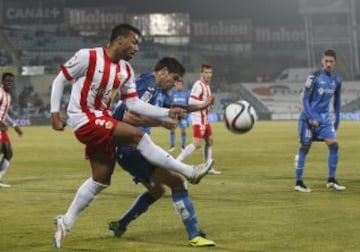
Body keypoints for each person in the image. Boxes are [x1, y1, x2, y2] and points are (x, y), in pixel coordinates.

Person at [50, 24, 214, 249]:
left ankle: (65, 222)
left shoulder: (126, 70)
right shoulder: (87, 56)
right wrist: (54, 114)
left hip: (103, 121)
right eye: (134, 42)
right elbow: (60, 79)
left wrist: (167, 112)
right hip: (83, 118)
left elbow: (134, 104)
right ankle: (189, 171)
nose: (137, 48)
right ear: (119, 39)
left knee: (101, 179)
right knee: (137, 137)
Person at [108, 57, 216, 247]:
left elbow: (174, 109)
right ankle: (194, 235)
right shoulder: (147, 85)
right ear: (163, 71)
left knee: (157, 190)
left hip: (130, 149)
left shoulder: (158, 90)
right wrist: (161, 122)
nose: (174, 84)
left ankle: (120, 224)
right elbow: (129, 115)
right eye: (174, 79)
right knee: (177, 181)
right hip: (130, 147)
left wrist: (202, 105)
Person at [294, 49, 345, 193]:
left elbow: (337, 101)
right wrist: (311, 117)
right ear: (322, 61)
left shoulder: (336, 80)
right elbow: (304, 99)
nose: (328, 64)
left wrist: (337, 120)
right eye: (326, 61)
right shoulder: (314, 77)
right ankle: (298, 182)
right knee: (304, 147)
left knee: (334, 146)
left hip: (324, 119)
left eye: (331, 62)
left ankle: (331, 180)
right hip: (308, 118)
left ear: (335, 63)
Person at [176, 64, 221, 175]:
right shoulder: (198, 85)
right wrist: (206, 103)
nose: (208, 75)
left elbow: (206, 103)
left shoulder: (207, 86)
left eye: (210, 72)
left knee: (209, 141)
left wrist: (210, 103)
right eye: (206, 72)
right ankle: (176, 163)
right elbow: (191, 102)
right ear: (201, 73)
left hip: (204, 117)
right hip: (198, 117)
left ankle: (208, 167)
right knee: (197, 144)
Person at [0, 72, 23, 188]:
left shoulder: (8, 96)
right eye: (7, 81)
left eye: (11, 81)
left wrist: (15, 125)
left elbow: (4, 113)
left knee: (8, 152)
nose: (10, 83)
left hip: (2, 128)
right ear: (2, 82)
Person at [166, 79, 190, 152]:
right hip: (174, 115)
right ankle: (172, 146)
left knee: (183, 131)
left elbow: (188, 105)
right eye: (178, 85)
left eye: (180, 85)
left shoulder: (186, 94)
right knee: (172, 130)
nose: (179, 86)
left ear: (182, 86)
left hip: (183, 115)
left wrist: (187, 115)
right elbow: (170, 105)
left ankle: (183, 146)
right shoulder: (173, 94)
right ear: (176, 86)